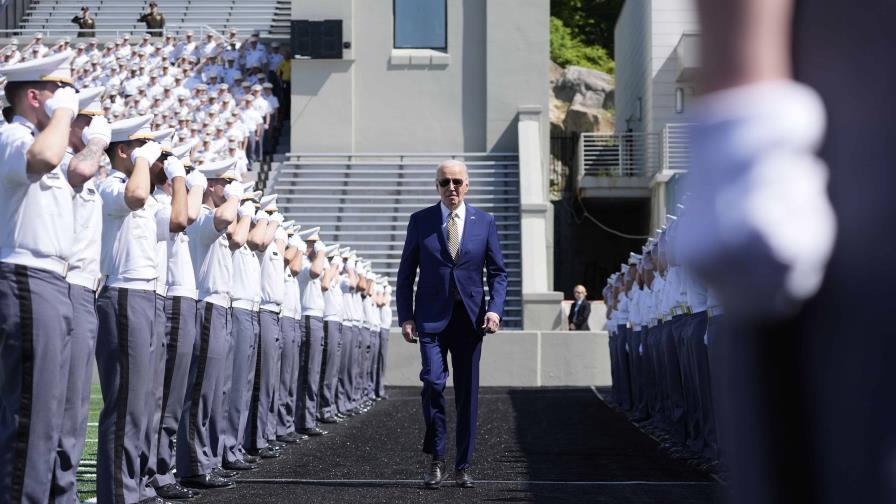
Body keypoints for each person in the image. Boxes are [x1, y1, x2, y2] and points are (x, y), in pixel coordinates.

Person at [0, 50, 86, 503]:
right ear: (34, 97)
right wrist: (65, 112)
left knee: (45, 412)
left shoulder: (37, 139)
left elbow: (77, 165)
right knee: (29, 417)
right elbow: (46, 157)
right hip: (26, 276)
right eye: (58, 92)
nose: (66, 101)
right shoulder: (14, 137)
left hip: (49, 279)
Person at [396, 159, 508, 489]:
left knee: (467, 394)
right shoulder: (421, 221)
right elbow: (405, 276)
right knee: (432, 382)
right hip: (430, 320)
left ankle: (463, 465)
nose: (452, 188)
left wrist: (495, 310)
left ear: (467, 185)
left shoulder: (485, 222)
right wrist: (406, 316)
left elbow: (498, 273)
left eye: (457, 181)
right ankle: (437, 459)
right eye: (445, 182)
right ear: (437, 187)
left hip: (471, 321)